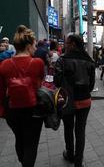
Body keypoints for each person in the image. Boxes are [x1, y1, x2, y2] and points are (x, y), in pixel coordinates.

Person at [0, 25, 44, 167]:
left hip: (12, 110)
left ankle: (23, 161)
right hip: (33, 110)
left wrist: (2, 111)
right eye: (34, 45)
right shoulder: (37, 63)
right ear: (28, 45)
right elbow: (39, 85)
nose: (36, 48)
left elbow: (1, 90)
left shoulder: (4, 64)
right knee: (31, 144)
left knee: (19, 138)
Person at [54, 34, 95, 167]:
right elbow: (91, 85)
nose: (64, 45)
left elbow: (57, 81)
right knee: (80, 131)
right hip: (84, 100)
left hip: (68, 101)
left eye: (66, 43)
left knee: (68, 128)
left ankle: (70, 154)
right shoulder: (89, 60)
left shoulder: (62, 60)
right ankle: (78, 162)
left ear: (72, 44)